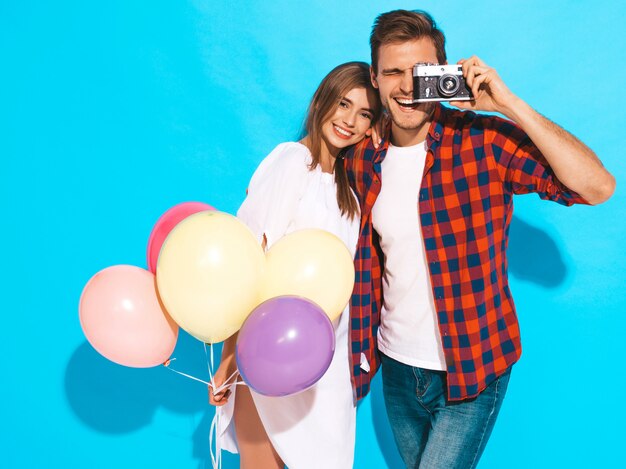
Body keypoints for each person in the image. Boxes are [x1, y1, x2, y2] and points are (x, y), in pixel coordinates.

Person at [343, 9, 615, 469]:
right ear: (375, 76)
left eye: (421, 72)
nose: (407, 87)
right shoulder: (362, 156)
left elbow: (597, 187)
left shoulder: (484, 142)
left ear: (444, 73)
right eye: (392, 72)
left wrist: (508, 104)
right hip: (395, 365)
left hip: (473, 363)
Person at [209, 61, 381, 469]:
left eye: (365, 114)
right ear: (322, 100)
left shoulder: (348, 195)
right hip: (268, 352)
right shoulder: (289, 163)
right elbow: (248, 260)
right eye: (343, 104)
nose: (350, 121)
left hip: (326, 368)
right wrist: (230, 361)